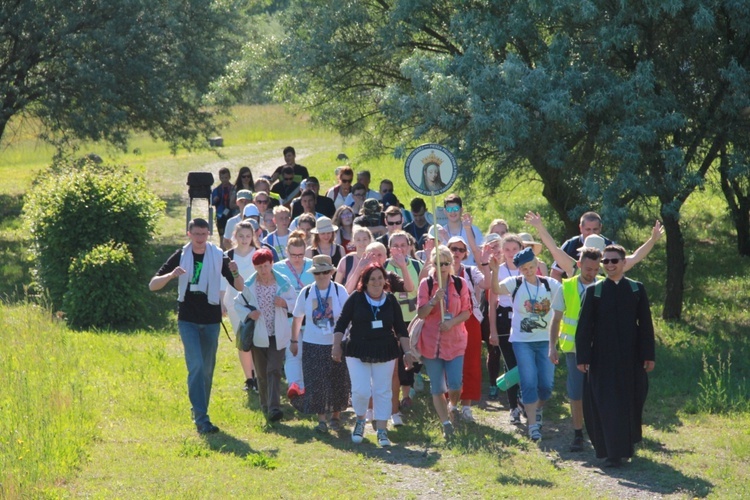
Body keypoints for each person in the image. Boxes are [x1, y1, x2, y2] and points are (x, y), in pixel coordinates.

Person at [149, 218, 243, 434]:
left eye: (204, 234)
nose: (200, 239)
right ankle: (202, 419)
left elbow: (239, 286)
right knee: (197, 366)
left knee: (207, 371)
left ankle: (199, 410)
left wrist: (235, 271)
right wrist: (171, 275)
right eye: (196, 234)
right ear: (189, 234)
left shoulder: (219, 255)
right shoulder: (181, 255)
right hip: (188, 321)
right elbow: (153, 285)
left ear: (208, 234)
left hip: (211, 322)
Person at [575, 244, 655, 467]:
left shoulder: (636, 289)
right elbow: (584, 327)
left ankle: (627, 443)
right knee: (607, 404)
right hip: (602, 359)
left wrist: (648, 355)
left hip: (631, 359)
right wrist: (583, 357)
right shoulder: (595, 291)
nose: (609, 265)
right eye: (606, 261)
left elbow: (646, 325)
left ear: (624, 263)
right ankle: (611, 453)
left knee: (632, 399)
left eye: (614, 261)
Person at [332, 263, 413, 447]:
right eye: (372, 279)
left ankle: (382, 430)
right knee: (361, 390)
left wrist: (407, 352)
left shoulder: (391, 300)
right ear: (365, 281)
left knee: (383, 390)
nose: (376, 282)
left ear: (385, 280)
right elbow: (341, 324)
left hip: (385, 351)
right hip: (357, 349)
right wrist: (336, 346)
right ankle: (360, 421)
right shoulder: (356, 298)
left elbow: (401, 329)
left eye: (380, 278)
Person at [491, 246, 561, 442]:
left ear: (537, 264)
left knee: (546, 386)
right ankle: (532, 426)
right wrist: (495, 270)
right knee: (529, 382)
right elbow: (496, 289)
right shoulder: (516, 283)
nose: (528, 271)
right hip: (522, 341)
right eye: (524, 268)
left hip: (546, 341)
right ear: (519, 270)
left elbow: (566, 294)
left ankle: (534, 408)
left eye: (531, 267)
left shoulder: (549, 285)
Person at [234, 248, 297, 422]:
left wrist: (284, 303)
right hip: (258, 335)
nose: (263, 270)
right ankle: (265, 406)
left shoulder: (282, 283)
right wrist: (249, 314)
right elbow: (238, 303)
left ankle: (275, 408)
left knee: (274, 369)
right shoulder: (250, 285)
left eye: (266, 266)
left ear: (271, 264)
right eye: (259, 267)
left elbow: (296, 303)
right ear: (255, 267)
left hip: (278, 333)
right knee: (261, 373)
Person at [289, 255, 350, 433]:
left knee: (338, 380)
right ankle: (321, 419)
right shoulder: (306, 292)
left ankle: (336, 416)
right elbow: (297, 317)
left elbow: (347, 317)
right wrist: (294, 340)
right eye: (318, 273)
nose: (322, 276)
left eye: (325, 272)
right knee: (316, 382)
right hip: (312, 343)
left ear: (331, 272)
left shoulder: (339, 291)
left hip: (336, 343)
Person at [416, 245, 472, 438]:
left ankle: (453, 405)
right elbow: (421, 313)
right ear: (432, 263)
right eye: (438, 263)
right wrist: (433, 300)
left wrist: (452, 323)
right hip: (431, 344)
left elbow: (467, 311)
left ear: (451, 264)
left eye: (446, 263)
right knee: (437, 386)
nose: (442, 267)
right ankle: (446, 423)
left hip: (455, 341)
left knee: (455, 384)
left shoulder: (460, 283)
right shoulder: (426, 284)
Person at [444, 236, 490, 423]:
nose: (456, 253)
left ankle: (467, 407)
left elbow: (486, 284)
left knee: (470, 363)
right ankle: (450, 404)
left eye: (460, 250)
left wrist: (485, 261)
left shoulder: (471, 271)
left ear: (465, 254)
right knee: (448, 362)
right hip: (447, 322)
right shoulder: (439, 271)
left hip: (470, 321)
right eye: (453, 249)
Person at [385, 231, 426, 426]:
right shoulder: (384, 267)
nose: (400, 249)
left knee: (410, 357)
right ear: (389, 247)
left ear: (410, 247)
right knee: (394, 359)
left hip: (412, 318)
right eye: (396, 245)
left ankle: (406, 394)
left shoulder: (417, 266)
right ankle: (392, 395)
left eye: (404, 245)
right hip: (392, 320)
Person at [220, 220, 261, 393]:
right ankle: (249, 378)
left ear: (253, 236)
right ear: (235, 236)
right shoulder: (228, 255)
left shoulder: (258, 253)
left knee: (258, 341)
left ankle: (259, 377)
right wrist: (221, 303)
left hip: (256, 302)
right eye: (241, 236)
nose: (244, 239)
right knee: (243, 340)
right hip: (234, 303)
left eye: (248, 236)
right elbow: (222, 281)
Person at [273, 230, 315, 396]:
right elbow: (276, 295)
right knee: (293, 353)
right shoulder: (278, 268)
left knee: (310, 355)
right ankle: (295, 386)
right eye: (293, 255)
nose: (297, 259)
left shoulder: (313, 266)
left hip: (311, 319)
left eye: (300, 255)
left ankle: (308, 386)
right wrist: (287, 304)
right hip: (289, 319)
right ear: (286, 252)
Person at [550, 212, 613, 281]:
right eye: (588, 229)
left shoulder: (609, 245)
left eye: (595, 229)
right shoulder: (570, 244)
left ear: (600, 227)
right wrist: (561, 290)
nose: (591, 233)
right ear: (581, 228)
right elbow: (555, 272)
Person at [442, 194, 483, 265]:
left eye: (456, 209)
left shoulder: (474, 230)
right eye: (449, 209)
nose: (452, 212)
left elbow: (481, 254)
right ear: (445, 211)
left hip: (470, 273)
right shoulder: (441, 232)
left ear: (461, 210)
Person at [212, 167, 235, 249]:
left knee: (232, 233)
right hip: (220, 215)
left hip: (231, 214)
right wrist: (215, 200)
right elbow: (212, 202)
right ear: (219, 178)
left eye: (226, 177)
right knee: (222, 234)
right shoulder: (217, 190)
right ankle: (222, 249)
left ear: (229, 177)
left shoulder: (233, 189)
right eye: (222, 178)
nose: (224, 180)